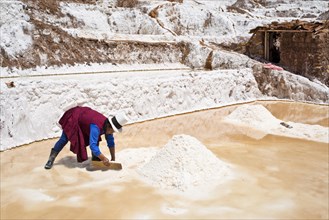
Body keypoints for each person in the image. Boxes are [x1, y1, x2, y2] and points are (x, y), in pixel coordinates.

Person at [44, 106, 128, 169]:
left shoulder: (108, 126)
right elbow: (92, 145)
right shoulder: (96, 127)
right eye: (113, 130)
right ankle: (51, 159)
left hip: (85, 120)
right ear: (109, 126)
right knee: (64, 139)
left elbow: (110, 141)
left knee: (95, 138)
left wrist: (113, 158)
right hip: (74, 118)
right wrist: (104, 158)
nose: (112, 132)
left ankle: (95, 157)